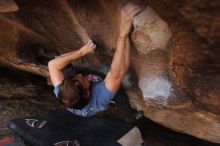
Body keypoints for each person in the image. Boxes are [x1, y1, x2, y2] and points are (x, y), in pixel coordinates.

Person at [48, 3, 144, 122]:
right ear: (87, 93)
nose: (80, 76)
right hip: (95, 95)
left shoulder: (62, 93)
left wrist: (81, 52)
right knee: (119, 94)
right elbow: (117, 73)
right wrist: (123, 35)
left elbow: (52, 65)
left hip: (78, 93)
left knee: (65, 68)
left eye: (77, 77)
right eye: (82, 80)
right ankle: (130, 118)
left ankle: (73, 72)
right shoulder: (99, 98)